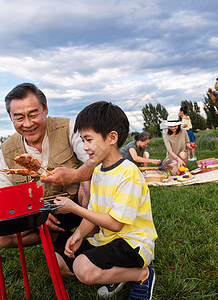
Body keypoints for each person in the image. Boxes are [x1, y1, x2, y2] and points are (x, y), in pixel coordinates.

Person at [53, 101, 157, 300]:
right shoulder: (99, 170)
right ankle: (118, 272)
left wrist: (74, 208)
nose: (84, 147)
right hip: (106, 240)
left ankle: (142, 274)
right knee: (56, 262)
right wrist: (79, 234)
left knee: (83, 268)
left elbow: (116, 224)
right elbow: (95, 211)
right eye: (82, 140)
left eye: (89, 139)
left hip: (132, 243)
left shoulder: (128, 172)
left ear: (112, 138)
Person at [0, 83, 94, 248]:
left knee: (89, 178)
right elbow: (5, 198)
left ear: (45, 110)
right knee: (3, 239)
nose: (27, 124)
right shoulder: (6, 151)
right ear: (11, 118)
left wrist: (76, 175)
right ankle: (57, 237)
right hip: (40, 213)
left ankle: (93, 238)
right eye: (19, 117)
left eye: (33, 114)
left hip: (78, 202)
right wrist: (33, 215)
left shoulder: (69, 127)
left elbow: (96, 161)